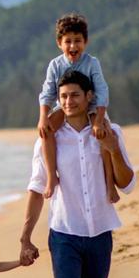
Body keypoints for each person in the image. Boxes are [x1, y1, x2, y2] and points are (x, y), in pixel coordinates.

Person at [21, 69, 135, 278]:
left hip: (100, 231)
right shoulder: (48, 139)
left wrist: (112, 148)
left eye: (74, 95)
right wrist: (25, 235)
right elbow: (35, 186)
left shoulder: (109, 132)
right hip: (64, 232)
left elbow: (128, 183)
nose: (68, 102)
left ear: (89, 98)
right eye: (63, 96)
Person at [37, 13, 118, 204]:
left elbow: (102, 91)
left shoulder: (92, 62)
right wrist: (43, 117)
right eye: (68, 41)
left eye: (78, 41)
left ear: (86, 42)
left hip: (91, 108)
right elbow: (47, 93)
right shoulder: (55, 65)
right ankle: (51, 177)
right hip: (63, 107)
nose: (73, 46)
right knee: (45, 131)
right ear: (59, 43)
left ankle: (110, 184)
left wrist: (98, 121)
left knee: (103, 135)